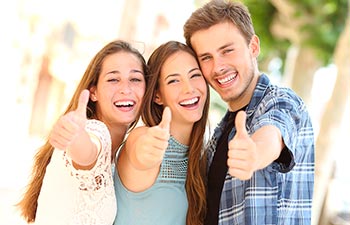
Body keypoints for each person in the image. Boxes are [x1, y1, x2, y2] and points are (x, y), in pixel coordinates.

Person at [183, 0, 315, 225]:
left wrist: (254, 153)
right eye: (206, 57)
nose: (218, 67)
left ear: (253, 47)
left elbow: (272, 132)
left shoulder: (283, 102)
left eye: (227, 51)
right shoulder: (220, 132)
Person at [17, 40, 148, 225]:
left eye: (135, 79)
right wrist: (75, 136)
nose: (125, 89)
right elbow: (87, 152)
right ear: (93, 92)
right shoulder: (94, 131)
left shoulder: (122, 153)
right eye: (113, 79)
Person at [113, 41, 210, 225]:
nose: (189, 88)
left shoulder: (201, 158)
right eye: (174, 80)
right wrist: (147, 152)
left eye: (195, 75)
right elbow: (140, 150)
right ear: (157, 95)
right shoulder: (143, 137)